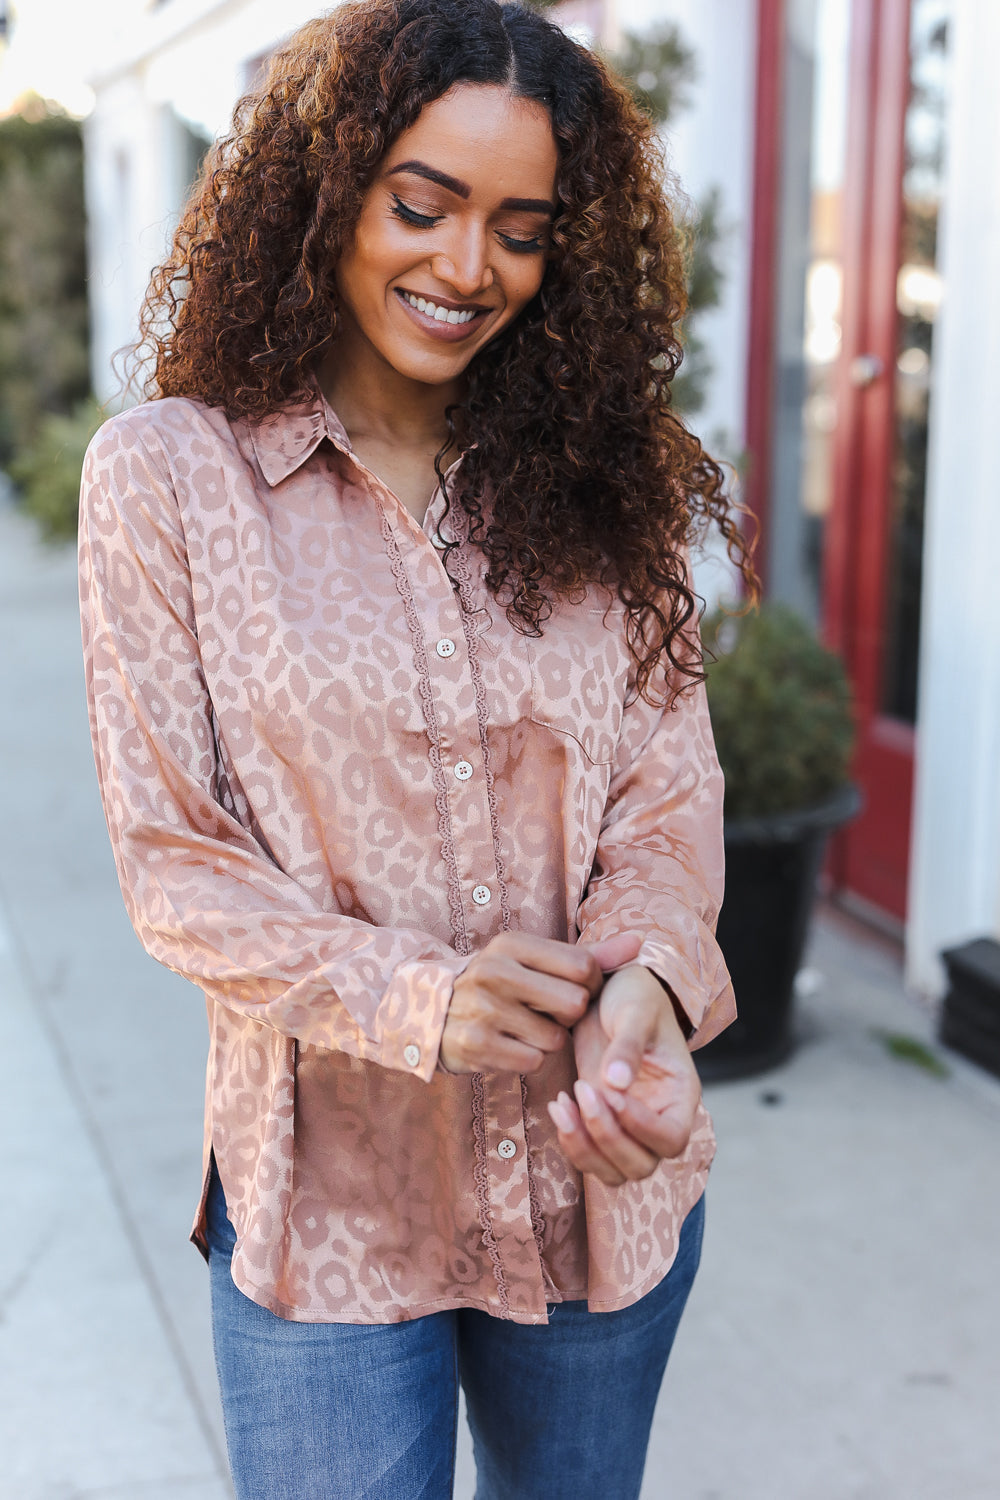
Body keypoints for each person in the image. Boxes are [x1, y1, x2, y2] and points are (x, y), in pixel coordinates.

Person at [79, 1, 754, 1495]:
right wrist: (423, 997)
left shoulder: (604, 483)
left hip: (597, 1187)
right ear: (330, 191)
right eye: (424, 205)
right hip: (331, 1213)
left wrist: (641, 989)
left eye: (521, 227)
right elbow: (174, 862)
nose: (468, 269)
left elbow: (667, 788)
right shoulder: (170, 484)